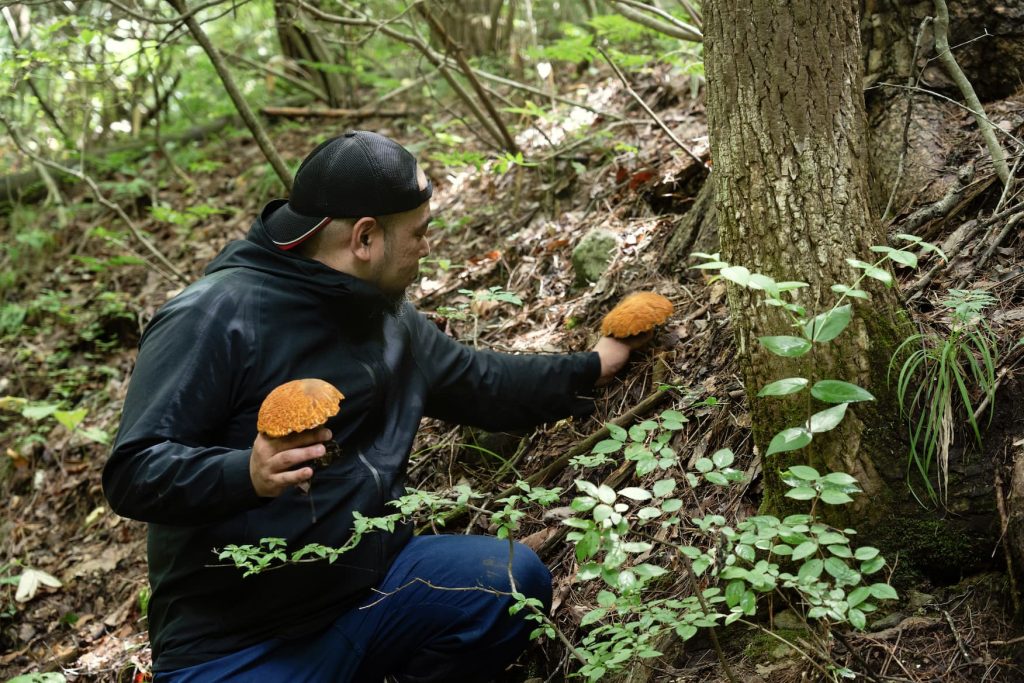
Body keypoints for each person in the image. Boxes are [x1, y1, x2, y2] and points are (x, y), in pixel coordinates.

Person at [103, 130, 637, 682]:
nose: (427, 247)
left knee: (506, 583)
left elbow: (483, 381)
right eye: (419, 233)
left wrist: (595, 364)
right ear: (364, 239)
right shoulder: (213, 315)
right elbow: (134, 472)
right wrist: (249, 473)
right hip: (235, 647)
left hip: (371, 600)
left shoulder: (386, 319)